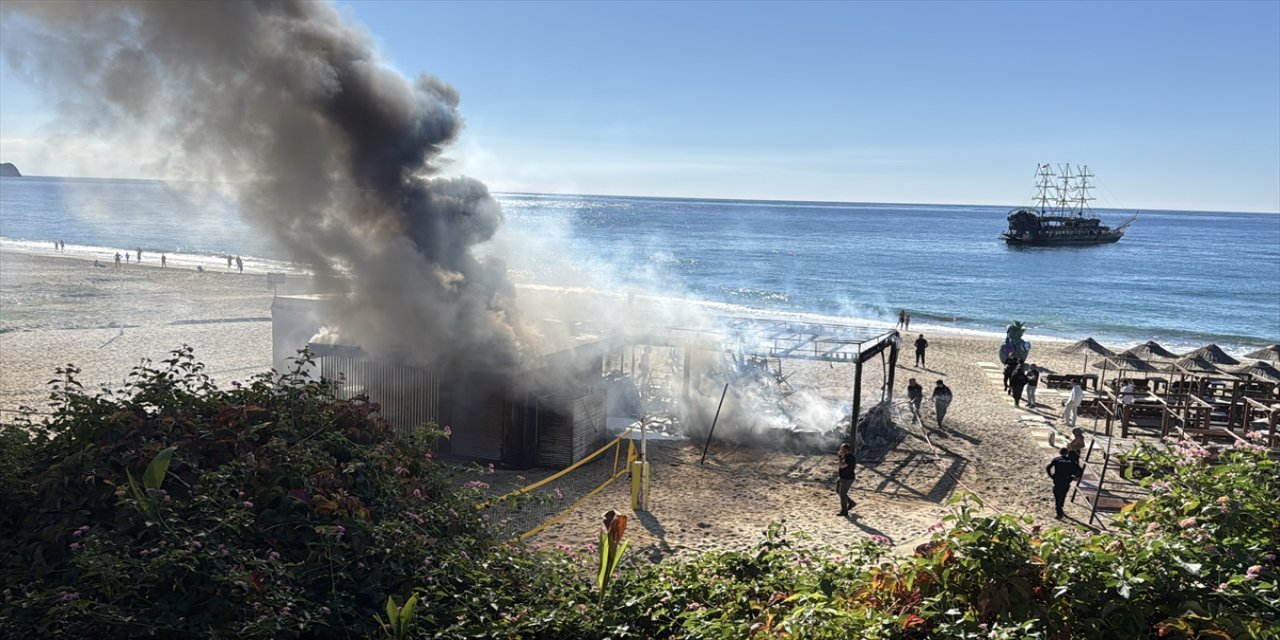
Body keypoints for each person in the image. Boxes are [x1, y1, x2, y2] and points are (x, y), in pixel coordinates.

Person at [1046, 448, 1083, 519]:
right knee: (1063, 494)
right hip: (1067, 480)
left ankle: (1058, 508)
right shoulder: (1071, 461)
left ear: (1060, 453)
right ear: (1067, 453)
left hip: (1058, 479)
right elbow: (1080, 470)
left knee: (1057, 494)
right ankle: (1060, 507)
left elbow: (1048, 467)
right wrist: (1074, 477)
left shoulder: (1056, 460)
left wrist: (1051, 475)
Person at [835, 443, 856, 516]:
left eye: (842, 449)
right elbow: (841, 463)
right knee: (838, 491)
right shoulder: (845, 456)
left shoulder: (850, 458)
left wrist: (839, 457)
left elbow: (842, 466)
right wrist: (835, 463)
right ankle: (851, 503)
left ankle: (844, 511)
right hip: (842, 477)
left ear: (846, 450)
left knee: (842, 495)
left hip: (847, 478)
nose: (840, 450)